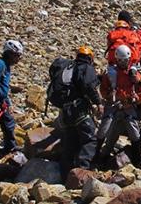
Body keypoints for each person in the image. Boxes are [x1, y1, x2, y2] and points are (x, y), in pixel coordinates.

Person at [57, 46, 102, 180]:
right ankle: (82, 172)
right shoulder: (86, 68)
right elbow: (88, 86)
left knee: (71, 141)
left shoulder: (69, 68)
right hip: (78, 110)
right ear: (90, 58)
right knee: (90, 138)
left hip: (66, 111)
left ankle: (65, 175)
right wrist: (98, 102)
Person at [97, 45, 141, 166]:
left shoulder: (134, 74)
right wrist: (108, 95)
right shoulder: (110, 73)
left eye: (125, 60)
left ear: (129, 59)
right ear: (117, 59)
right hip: (113, 105)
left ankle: (138, 160)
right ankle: (96, 156)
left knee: (135, 134)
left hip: (128, 106)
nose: (123, 62)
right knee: (104, 131)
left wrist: (136, 99)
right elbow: (103, 89)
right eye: (120, 60)